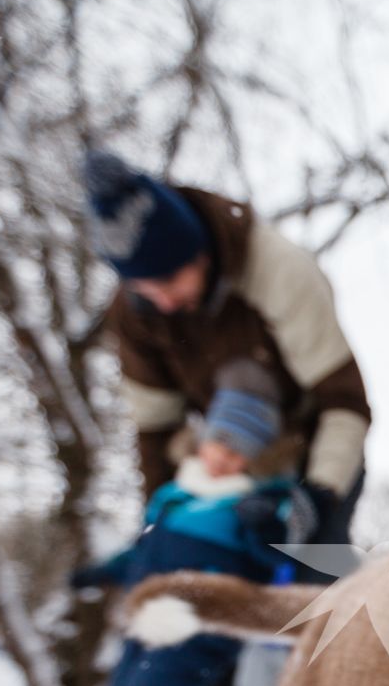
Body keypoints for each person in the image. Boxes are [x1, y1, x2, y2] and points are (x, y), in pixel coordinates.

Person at [83, 149, 369, 568]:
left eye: (167, 280)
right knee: (187, 574)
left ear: (198, 253)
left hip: (312, 450)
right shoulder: (135, 313)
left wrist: (315, 499)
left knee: (311, 584)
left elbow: (343, 402)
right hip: (221, 463)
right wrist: (159, 525)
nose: (160, 300)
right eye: (142, 287)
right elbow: (156, 426)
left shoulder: (279, 272)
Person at [74, 372, 314, 686]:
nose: (223, 457)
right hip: (144, 617)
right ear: (202, 441)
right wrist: (102, 572)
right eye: (219, 443)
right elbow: (143, 552)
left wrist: (265, 527)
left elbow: (275, 564)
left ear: (254, 459)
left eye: (238, 452)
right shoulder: (174, 495)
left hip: (202, 624)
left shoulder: (258, 501)